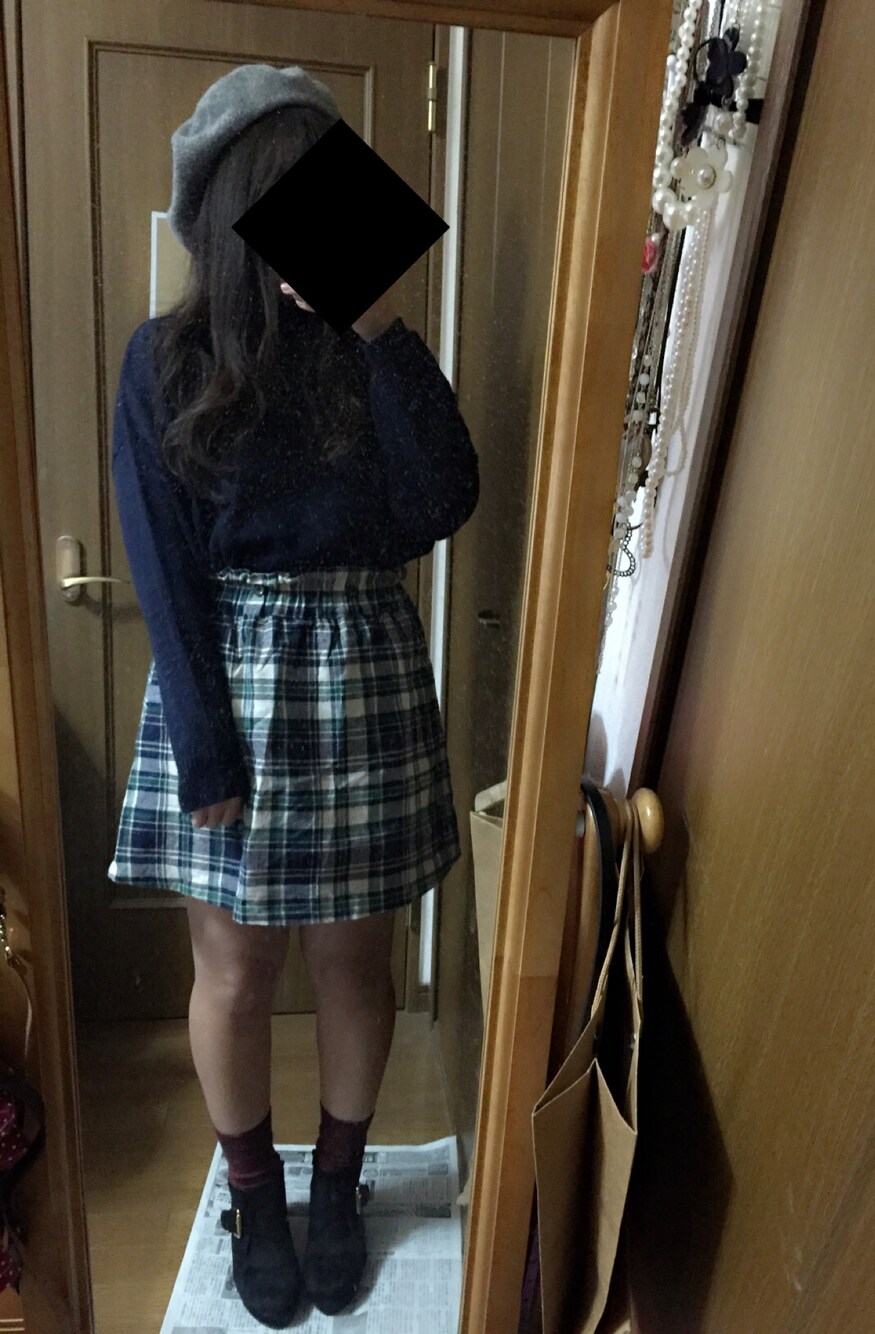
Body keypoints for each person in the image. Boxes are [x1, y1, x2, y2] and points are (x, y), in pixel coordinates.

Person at [106, 64, 479, 1329]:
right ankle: (255, 1197)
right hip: (227, 678)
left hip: (364, 670)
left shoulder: (368, 352)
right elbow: (163, 565)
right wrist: (205, 747)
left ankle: (335, 1189)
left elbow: (443, 499)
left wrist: (381, 326)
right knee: (234, 971)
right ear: (231, 215)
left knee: (355, 962)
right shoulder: (164, 359)